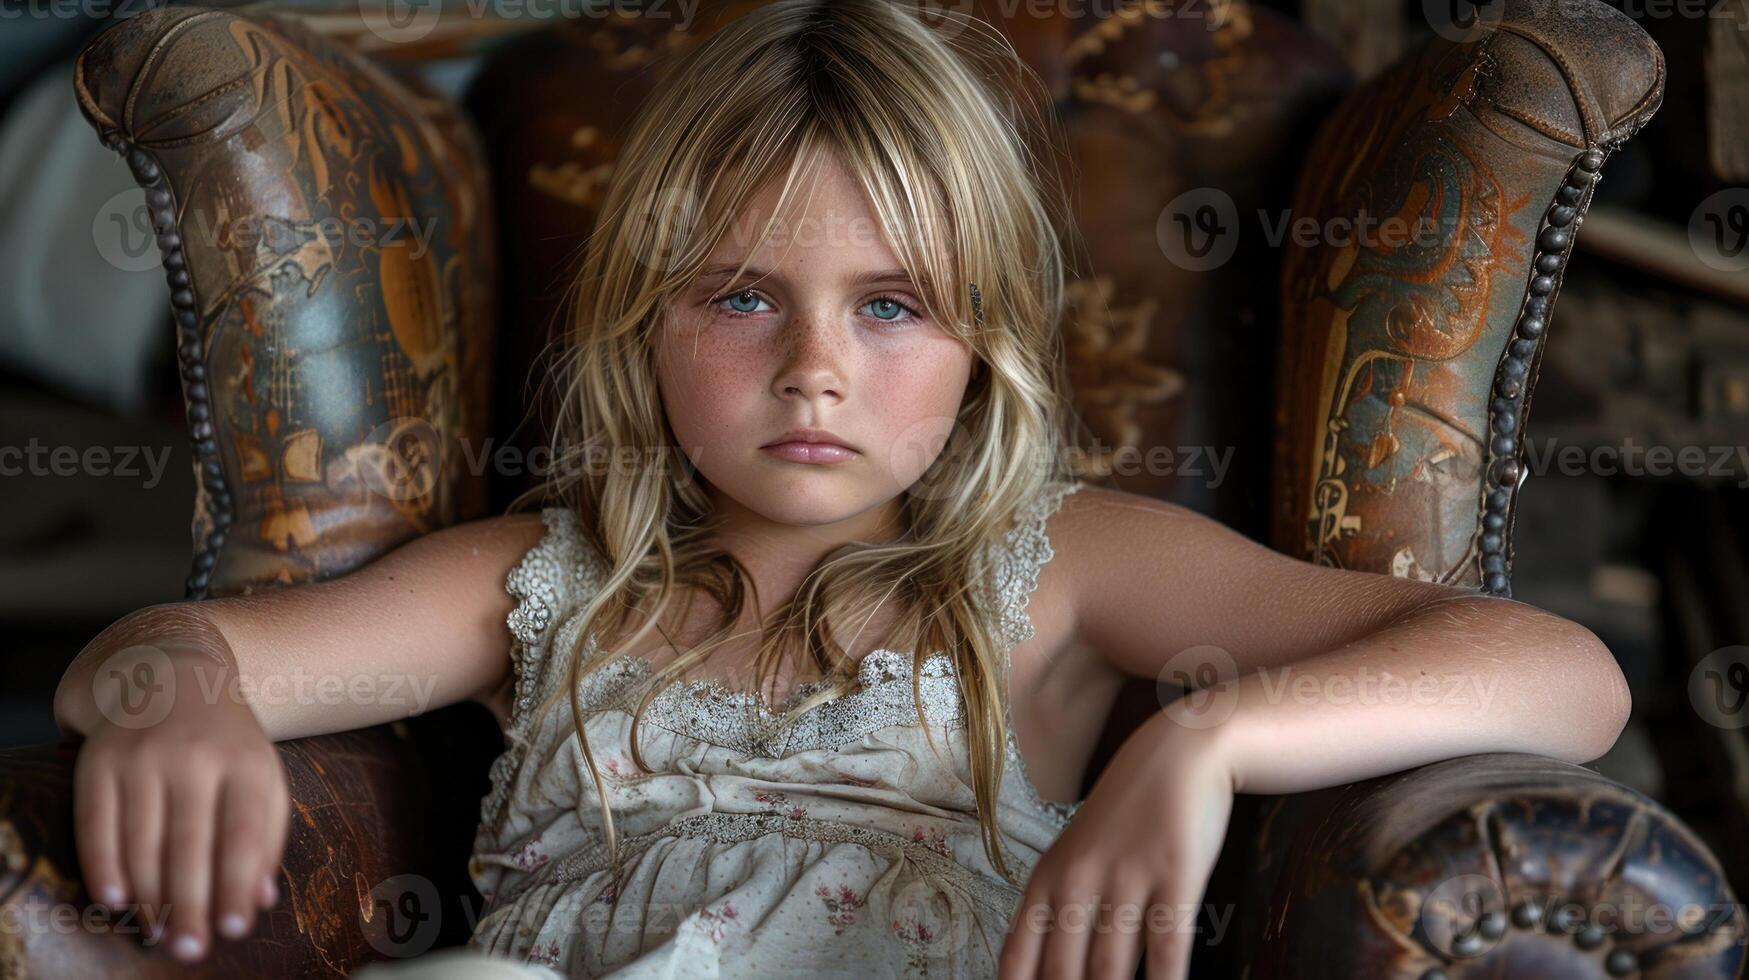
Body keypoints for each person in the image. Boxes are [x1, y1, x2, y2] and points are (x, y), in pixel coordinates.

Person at [51, 1, 1634, 977]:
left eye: (891, 306)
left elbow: (1559, 675)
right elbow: (151, 655)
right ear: (642, 325)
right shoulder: (538, 581)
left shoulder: (1062, 570)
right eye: (739, 296)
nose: (813, 367)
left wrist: (1216, 738)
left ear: (982, 345)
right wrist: (173, 693)